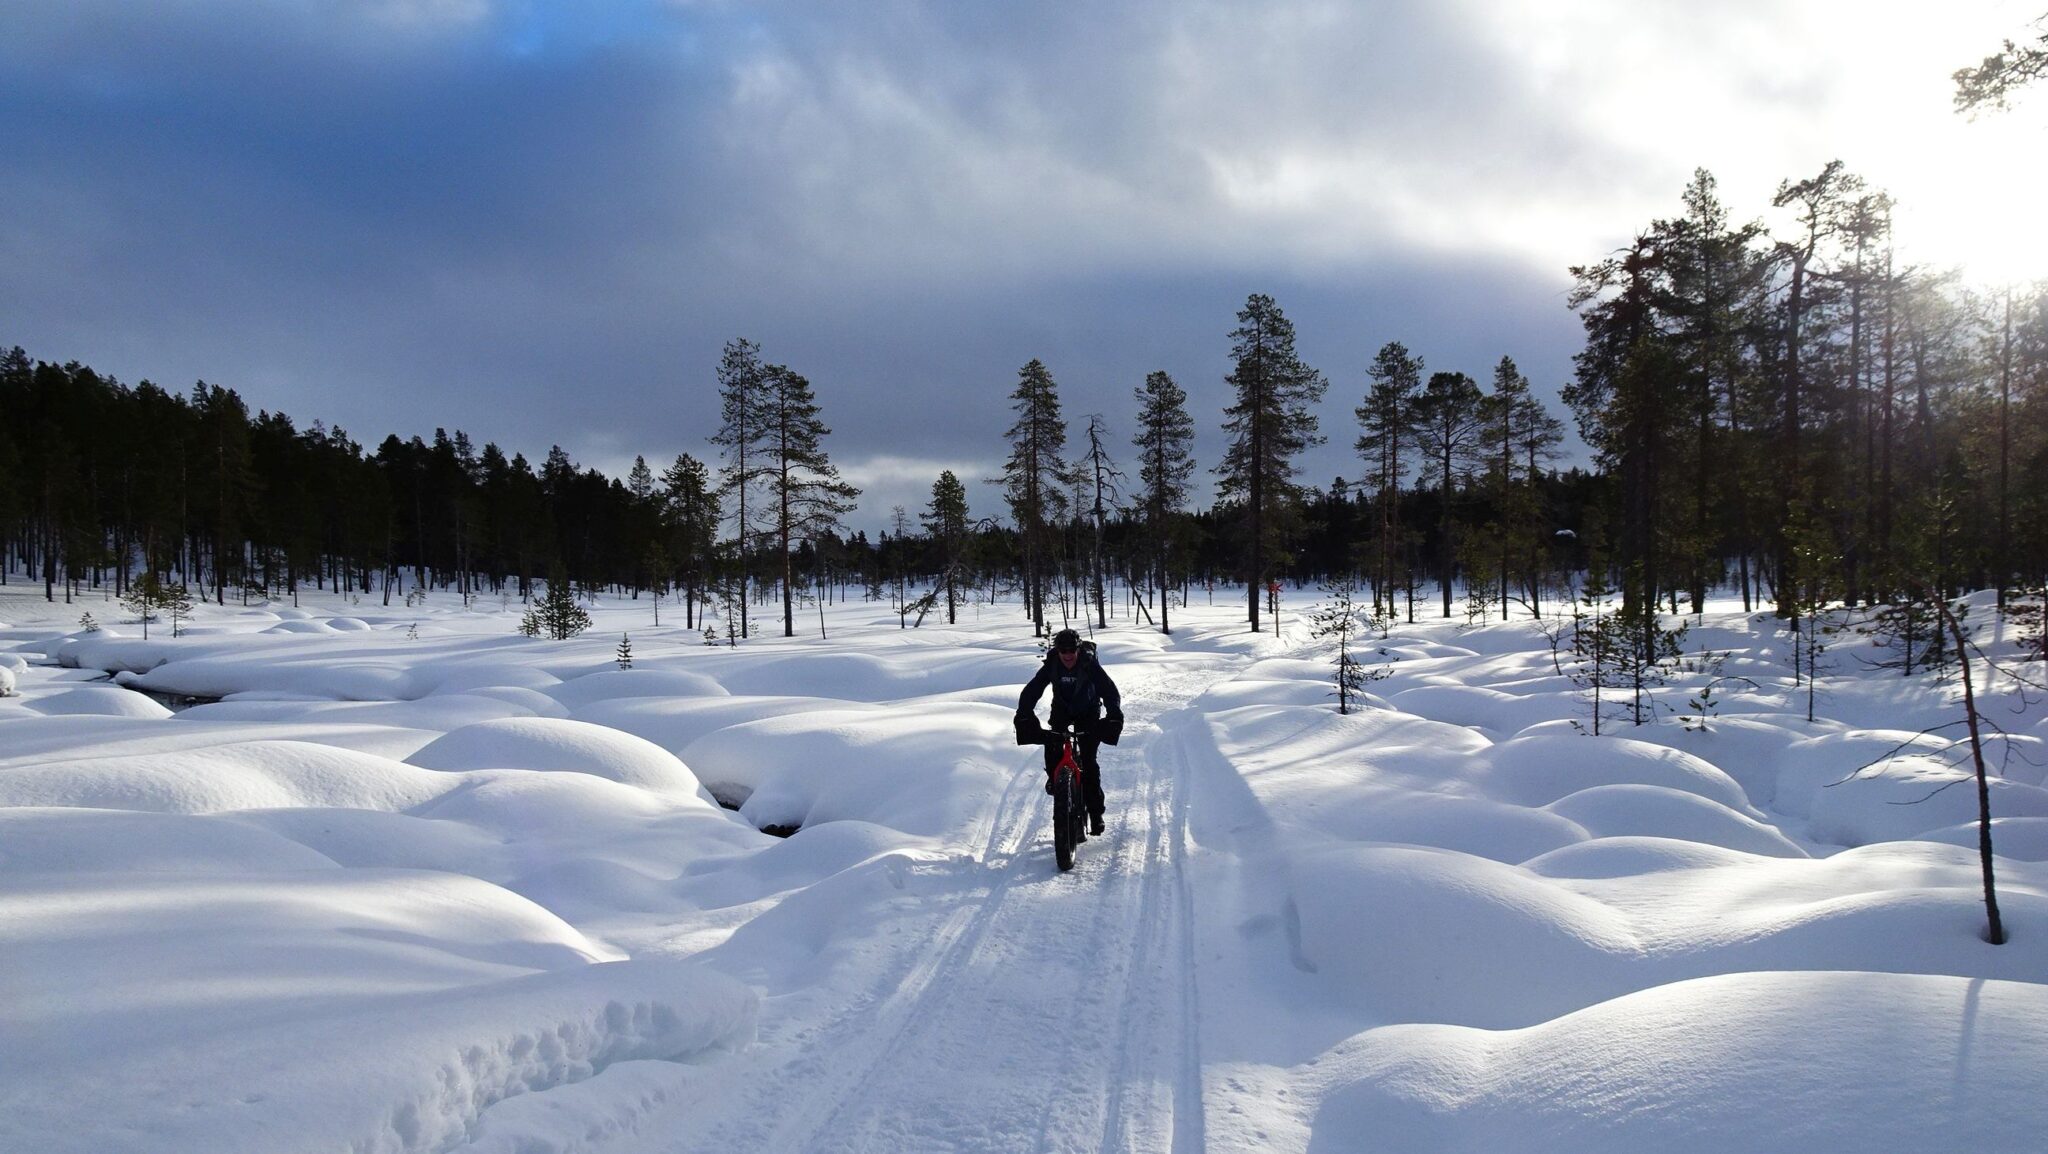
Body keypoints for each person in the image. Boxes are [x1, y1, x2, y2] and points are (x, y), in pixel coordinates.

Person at [1015, 627, 1123, 835]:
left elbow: (1108, 690)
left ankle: (1095, 813)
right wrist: (1024, 712)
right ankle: (1056, 781)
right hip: (1062, 709)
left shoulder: (1088, 663)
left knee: (1089, 763)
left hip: (1088, 711)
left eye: (1071, 650)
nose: (1068, 655)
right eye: (1063, 651)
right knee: (1053, 743)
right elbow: (1033, 689)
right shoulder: (1053, 664)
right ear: (1058, 650)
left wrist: (1114, 714)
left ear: (1078, 649)